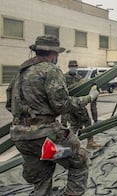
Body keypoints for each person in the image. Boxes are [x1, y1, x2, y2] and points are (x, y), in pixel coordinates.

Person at [5, 35, 99, 195]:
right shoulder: (51, 70)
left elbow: (9, 104)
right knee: (79, 158)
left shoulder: (20, 72)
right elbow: (62, 105)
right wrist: (89, 98)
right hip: (47, 140)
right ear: (54, 54)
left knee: (42, 176)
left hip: (21, 139)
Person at [64, 60, 101, 149]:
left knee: (74, 125)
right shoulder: (64, 78)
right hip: (75, 104)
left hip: (76, 103)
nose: (73, 67)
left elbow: (83, 87)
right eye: (72, 66)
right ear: (69, 67)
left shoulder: (79, 77)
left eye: (75, 66)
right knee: (87, 122)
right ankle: (90, 142)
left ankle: (68, 144)